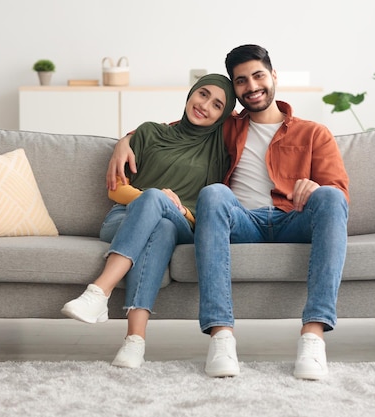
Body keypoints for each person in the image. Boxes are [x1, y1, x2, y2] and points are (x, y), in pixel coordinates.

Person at [110, 45, 349, 380]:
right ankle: (221, 336)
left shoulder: (314, 133)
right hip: (243, 221)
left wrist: (316, 188)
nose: (251, 86)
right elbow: (177, 129)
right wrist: (125, 140)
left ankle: (312, 338)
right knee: (213, 194)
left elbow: (339, 192)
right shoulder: (228, 126)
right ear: (235, 90)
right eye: (241, 81)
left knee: (332, 198)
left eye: (258, 75)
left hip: (293, 218)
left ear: (273, 76)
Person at [61, 73, 236, 369]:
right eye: (203, 94)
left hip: (183, 221)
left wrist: (179, 208)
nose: (205, 105)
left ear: (224, 115)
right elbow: (116, 188)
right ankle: (134, 342)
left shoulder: (220, 151)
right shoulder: (149, 132)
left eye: (217, 105)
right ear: (191, 92)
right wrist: (151, 197)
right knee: (160, 224)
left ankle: (98, 292)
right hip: (123, 218)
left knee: (164, 213)